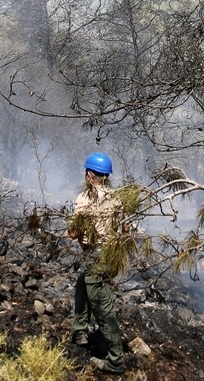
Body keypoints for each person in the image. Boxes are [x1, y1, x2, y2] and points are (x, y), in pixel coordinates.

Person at [68, 151, 128, 375]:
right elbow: (125, 230)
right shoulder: (117, 198)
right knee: (82, 284)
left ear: (89, 175)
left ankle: (115, 360)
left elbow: (73, 233)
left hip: (96, 255)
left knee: (103, 309)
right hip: (111, 255)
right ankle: (80, 331)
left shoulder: (85, 199)